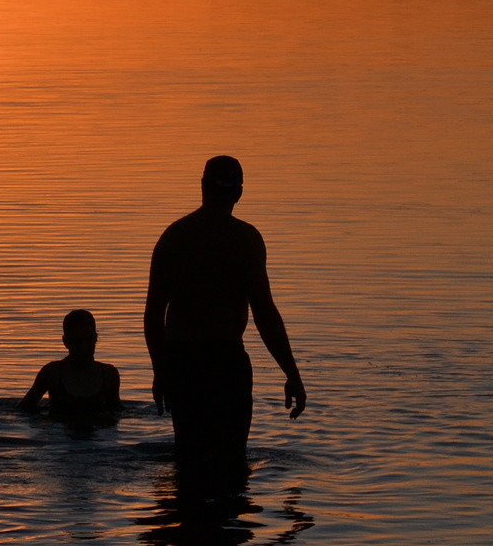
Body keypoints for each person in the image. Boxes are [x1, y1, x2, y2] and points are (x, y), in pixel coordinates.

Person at [144, 156, 305, 494]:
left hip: (183, 362)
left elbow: (154, 313)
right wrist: (292, 373)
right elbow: (264, 313)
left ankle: (189, 533)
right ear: (240, 192)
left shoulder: (175, 237)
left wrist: (161, 370)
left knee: (187, 461)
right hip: (226, 361)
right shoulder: (245, 240)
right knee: (232, 463)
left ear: (202, 188)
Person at [19, 309, 123, 415]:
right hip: (60, 429)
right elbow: (23, 409)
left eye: (88, 339)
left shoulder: (108, 375)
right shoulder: (52, 373)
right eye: (77, 341)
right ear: (65, 342)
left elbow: (116, 412)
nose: (83, 346)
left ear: (96, 338)